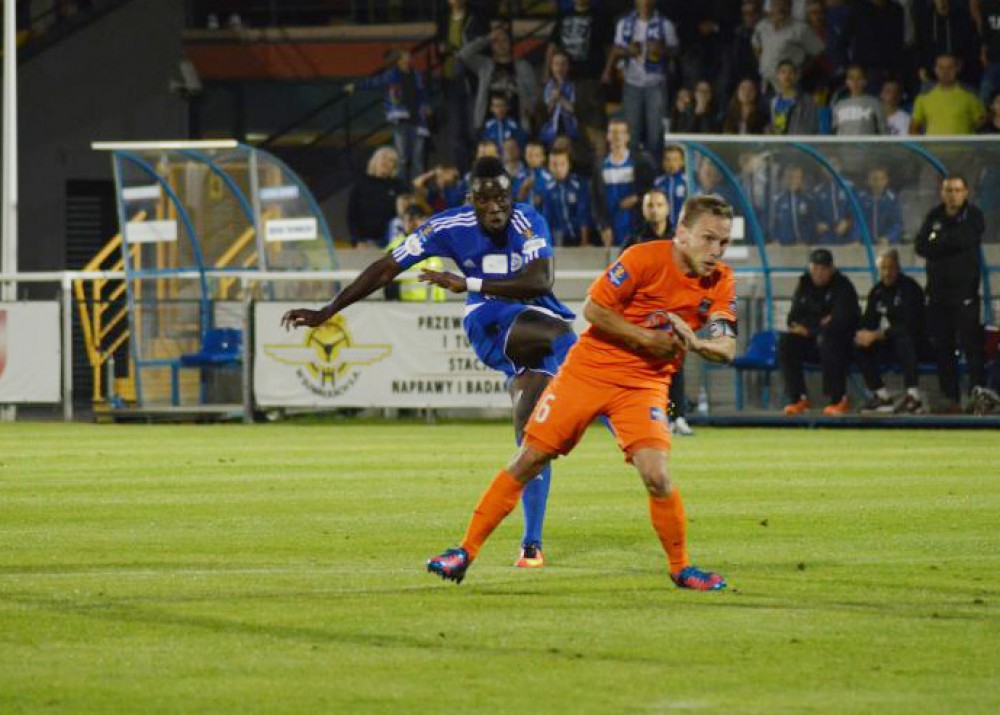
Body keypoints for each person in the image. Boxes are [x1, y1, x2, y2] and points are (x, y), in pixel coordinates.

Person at [425, 195, 738, 589]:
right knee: (530, 458)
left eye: (724, 242)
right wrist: (646, 338)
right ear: (683, 233)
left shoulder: (721, 280)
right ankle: (464, 552)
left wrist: (697, 343)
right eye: (709, 239)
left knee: (657, 475)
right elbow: (593, 309)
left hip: (643, 385)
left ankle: (681, 568)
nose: (716, 251)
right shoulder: (643, 258)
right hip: (588, 371)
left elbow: (727, 347)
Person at [283, 157, 577, 567]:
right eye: (485, 199)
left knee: (533, 441)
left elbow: (541, 281)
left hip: (533, 326)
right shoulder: (447, 226)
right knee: (569, 342)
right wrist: (328, 310)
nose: (495, 208)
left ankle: (531, 546)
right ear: (471, 199)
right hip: (491, 320)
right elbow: (387, 267)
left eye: (502, 198)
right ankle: (620, 413)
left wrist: (466, 281)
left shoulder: (528, 220)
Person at [621, 188, 694, 436]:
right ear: (643, 209)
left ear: (667, 208)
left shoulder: (680, 238)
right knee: (643, 368)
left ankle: (677, 416)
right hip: (643, 313)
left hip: (674, 309)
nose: (654, 210)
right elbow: (621, 276)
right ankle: (649, 416)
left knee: (674, 365)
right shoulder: (634, 239)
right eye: (650, 205)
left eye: (659, 205)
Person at [914, 175, 990, 410]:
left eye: (957, 190)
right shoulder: (934, 215)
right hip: (938, 296)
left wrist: (938, 242)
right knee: (943, 348)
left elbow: (963, 239)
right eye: (948, 190)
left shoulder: (973, 215)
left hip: (964, 296)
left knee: (971, 347)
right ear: (942, 193)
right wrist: (943, 243)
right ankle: (950, 398)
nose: (953, 195)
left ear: (966, 192)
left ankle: (978, 395)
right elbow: (921, 245)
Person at [781, 248, 861, 415]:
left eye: (823, 268)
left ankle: (838, 399)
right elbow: (793, 318)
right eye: (815, 268)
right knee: (786, 342)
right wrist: (818, 325)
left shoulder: (843, 286)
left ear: (831, 269)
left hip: (842, 345)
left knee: (829, 337)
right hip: (812, 343)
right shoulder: (804, 284)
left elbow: (841, 321)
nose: (818, 273)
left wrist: (811, 329)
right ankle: (798, 398)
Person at [855, 249, 930, 413]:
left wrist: (878, 335)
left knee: (904, 339)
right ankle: (882, 396)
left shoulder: (910, 288)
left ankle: (914, 396)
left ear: (898, 268)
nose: (887, 273)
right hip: (891, 344)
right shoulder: (877, 292)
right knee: (859, 345)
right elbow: (869, 322)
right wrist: (862, 334)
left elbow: (911, 325)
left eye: (891, 268)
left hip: (919, 345)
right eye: (883, 268)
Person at [603, 0, 679, 158]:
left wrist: (662, 50)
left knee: (656, 132)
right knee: (630, 131)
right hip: (631, 83)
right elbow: (616, 49)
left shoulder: (665, 24)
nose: (645, 3)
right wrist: (628, 51)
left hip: (656, 83)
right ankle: (630, 165)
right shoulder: (624, 23)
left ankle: (655, 167)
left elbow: (676, 50)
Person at [347, 50, 431, 183]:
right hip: (400, 118)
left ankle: (418, 187)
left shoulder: (416, 75)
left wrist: (426, 106)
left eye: (408, 55)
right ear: (399, 60)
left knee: (417, 157)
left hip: (418, 119)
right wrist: (356, 86)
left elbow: (422, 92)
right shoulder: (392, 75)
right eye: (405, 56)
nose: (409, 57)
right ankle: (400, 185)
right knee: (401, 157)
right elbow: (374, 82)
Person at [547, 0, 612, 157]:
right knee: (570, 124)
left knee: (593, 125)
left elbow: (609, 46)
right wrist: (547, 71)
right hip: (566, 80)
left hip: (590, 79)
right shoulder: (564, 15)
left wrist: (608, 71)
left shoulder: (600, 16)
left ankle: (598, 163)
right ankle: (574, 161)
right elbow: (553, 45)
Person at [436, 0, 491, 171]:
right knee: (456, 134)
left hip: (472, 77)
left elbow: (483, 42)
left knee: (474, 130)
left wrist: (462, 51)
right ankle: (463, 173)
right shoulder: (443, 17)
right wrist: (443, 49)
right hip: (451, 78)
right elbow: (439, 43)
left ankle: (478, 169)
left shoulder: (477, 15)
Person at [459, 23, 540, 132]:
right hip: (488, 124)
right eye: (496, 41)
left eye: (504, 41)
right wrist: (487, 39)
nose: (501, 45)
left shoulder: (523, 66)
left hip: (516, 124)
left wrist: (530, 109)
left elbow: (533, 93)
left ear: (510, 43)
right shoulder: (484, 65)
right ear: (491, 45)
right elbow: (464, 55)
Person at [592, 118, 655, 247]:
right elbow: (595, 199)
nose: (617, 136)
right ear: (608, 136)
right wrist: (603, 226)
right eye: (613, 132)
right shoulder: (600, 165)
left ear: (627, 136)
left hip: (635, 227)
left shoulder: (641, 162)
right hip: (611, 229)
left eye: (621, 132)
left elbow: (651, 190)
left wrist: (637, 197)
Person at [752, 0, 825, 93]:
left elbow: (818, 51)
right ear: (771, 7)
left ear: (790, 8)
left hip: (790, 83)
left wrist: (802, 70)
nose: (780, 8)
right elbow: (756, 44)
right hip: (766, 83)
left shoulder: (800, 29)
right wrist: (763, 61)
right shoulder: (762, 26)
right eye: (776, 5)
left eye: (784, 5)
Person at [910, 53, 986, 135]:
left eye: (950, 68)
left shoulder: (970, 95)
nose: (945, 72)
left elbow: (982, 124)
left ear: (957, 69)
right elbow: (914, 127)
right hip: (933, 144)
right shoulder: (924, 97)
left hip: (962, 143)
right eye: (941, 68)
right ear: (935, 70)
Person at [384, 206, 448, 302]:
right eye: (410, 220)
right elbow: (389, 283)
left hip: (435, 305)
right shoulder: (396, 247)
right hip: (407, 306)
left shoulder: (433, 244)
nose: (415, 223)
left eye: (419, 219)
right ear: (403, 222)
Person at [347, 146, 405, 247]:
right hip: (366, 242)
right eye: (383, 158)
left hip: (392, 242)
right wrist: (357, 240)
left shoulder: (399, 187)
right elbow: (352, 216)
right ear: (374, 161)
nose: (385, 162)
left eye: (390, 160)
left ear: (394, 167)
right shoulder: (361, 185)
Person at [543, 147, 592, 247]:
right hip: (559, 238)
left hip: (579, 235)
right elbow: (547, 217)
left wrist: (584, 241)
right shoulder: (547, 188)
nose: (558, 169)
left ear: (569, 165)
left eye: (562, 164)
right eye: (554, 164)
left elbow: (583, 214)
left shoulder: (578, 184)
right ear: (548, 166)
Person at [831, 64, 888, 136]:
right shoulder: (839, 105)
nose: (855, 82)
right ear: (847, 82)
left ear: (865, 81)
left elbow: (883, 131)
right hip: (844, 143)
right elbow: (834, 132)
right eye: (851, 78)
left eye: (859, 78)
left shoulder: (874, 103)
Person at [540, 49, 580, 147]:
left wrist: (560, 98)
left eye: (563, 64)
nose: (559, 68)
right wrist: (553, 99)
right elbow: (546, 111)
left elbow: (573, 109)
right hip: (551, 128)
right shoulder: (548, 86)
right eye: (556, 64)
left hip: (569, 127)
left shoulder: (573, 86)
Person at [768, 60, 820, 135]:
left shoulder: (807, 101)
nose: (787, 76)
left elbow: (811, 127)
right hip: (780, 141)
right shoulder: (774, 102)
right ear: (777, 76)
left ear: (796, 76)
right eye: (783, 72)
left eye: (790, 72)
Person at [856, 166, 904, 244]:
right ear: (868, 181)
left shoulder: (892, 199)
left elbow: (897, 224)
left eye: (882, 179)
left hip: (887, 243)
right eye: (875, 179)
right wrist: (859, 237)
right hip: (865, 243)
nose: (878, 183)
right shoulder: (861, 198)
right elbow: (857, 221)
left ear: (886, 181)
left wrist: (888, 238)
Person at [771, 164, 815, 245]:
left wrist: (805, 240)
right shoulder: (779, 200)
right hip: (783, 245)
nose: (795, 181)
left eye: (798, 178)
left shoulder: (807, 199)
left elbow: (811, 223)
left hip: (803, 244)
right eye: (791, 177)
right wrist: (775, 239)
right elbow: (775, 223)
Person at [654, 145, 688, 231]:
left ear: (682, 162)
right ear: (663, 162)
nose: (671, 163)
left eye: (675, 160)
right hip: (663, 229)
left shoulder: (687, 181)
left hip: (683, 228)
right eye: (667, 160)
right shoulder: (658, 182)